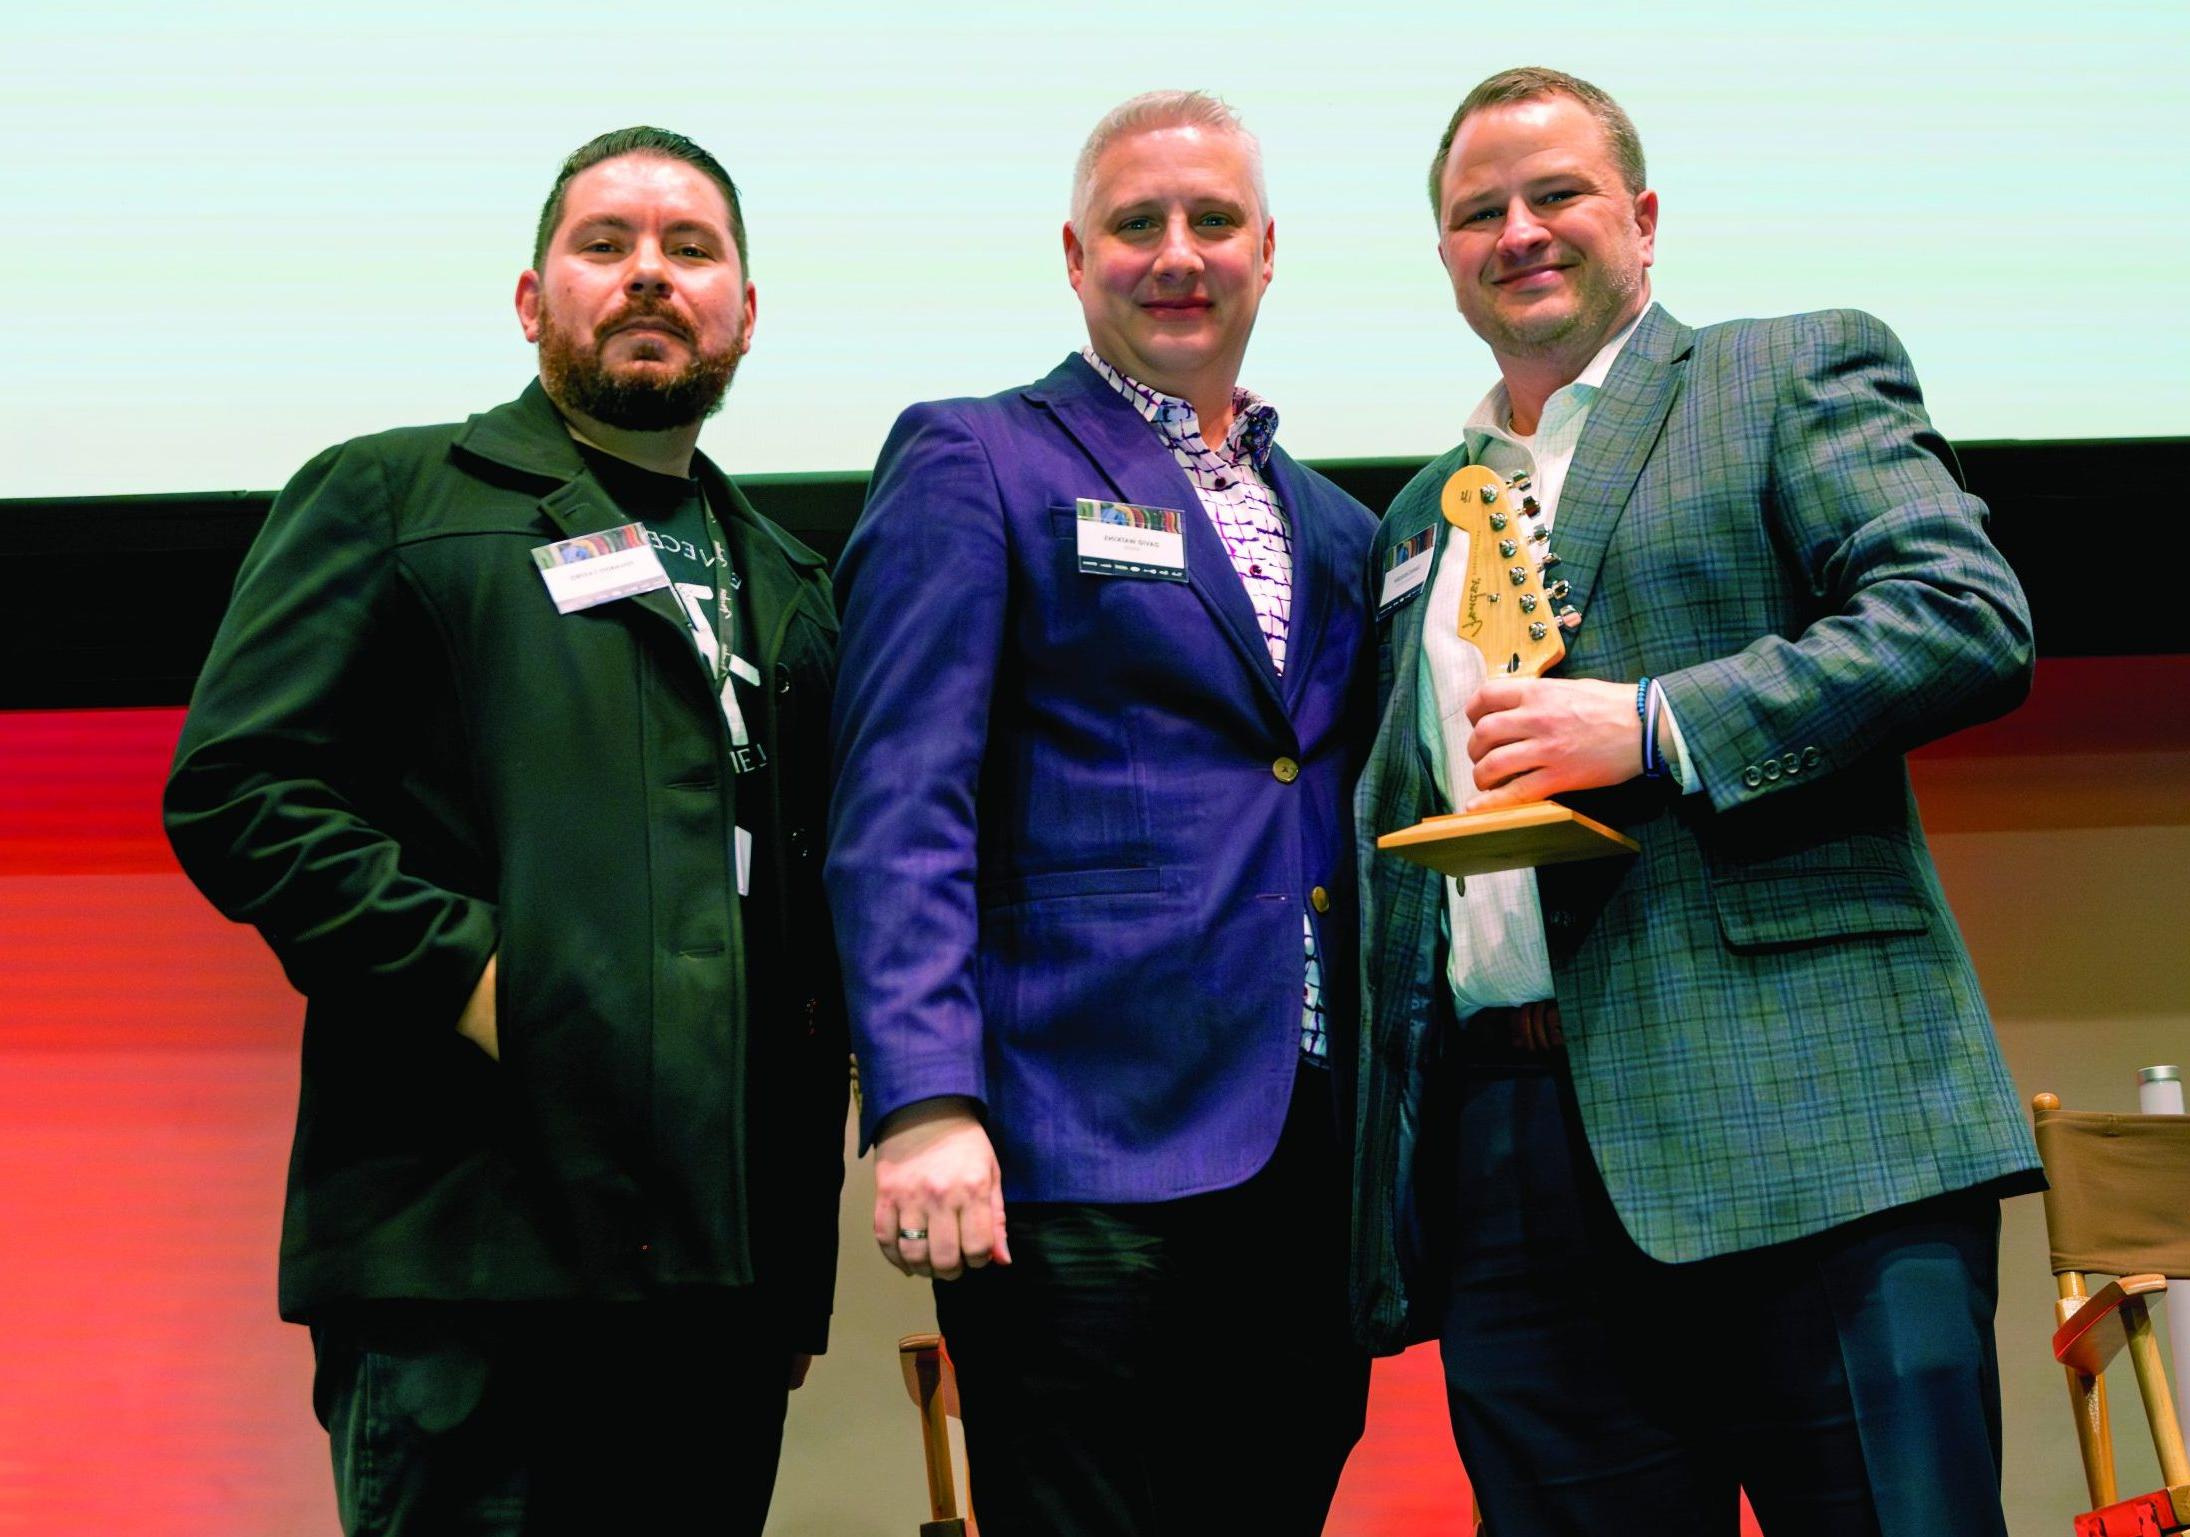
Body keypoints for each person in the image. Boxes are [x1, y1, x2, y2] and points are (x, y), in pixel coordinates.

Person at [1350, 67, 2041, 1535]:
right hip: (1512, 1170)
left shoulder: (1784, 372)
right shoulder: (1415, 516)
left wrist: (1655, 722)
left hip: (1814, 1136)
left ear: (1643, 220)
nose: (1519, 231)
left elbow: (1961, 615)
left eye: (1556, 195)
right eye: (1480, 212)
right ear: (1445, 257)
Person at [163, 126, 846, 1536]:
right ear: (533, 300)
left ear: (745, 313)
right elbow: (239, 788)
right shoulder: (394, 499)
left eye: (690, 249)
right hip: (468, 1266)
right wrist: (476, 976)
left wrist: (795, 1271)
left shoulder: (793, 587)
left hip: (718, 1293)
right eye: (605, 245)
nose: (648, 275)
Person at [826, 90, 1374, 1535]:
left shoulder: (1339, 525)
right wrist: (927, 1100)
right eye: (1138, 224)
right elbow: (898, 800)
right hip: (1075, 1149)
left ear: (1267, 251)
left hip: (1308, 1152)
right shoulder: (975, 458)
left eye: (1211, 223)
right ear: (1076, 256)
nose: (1175, 253)